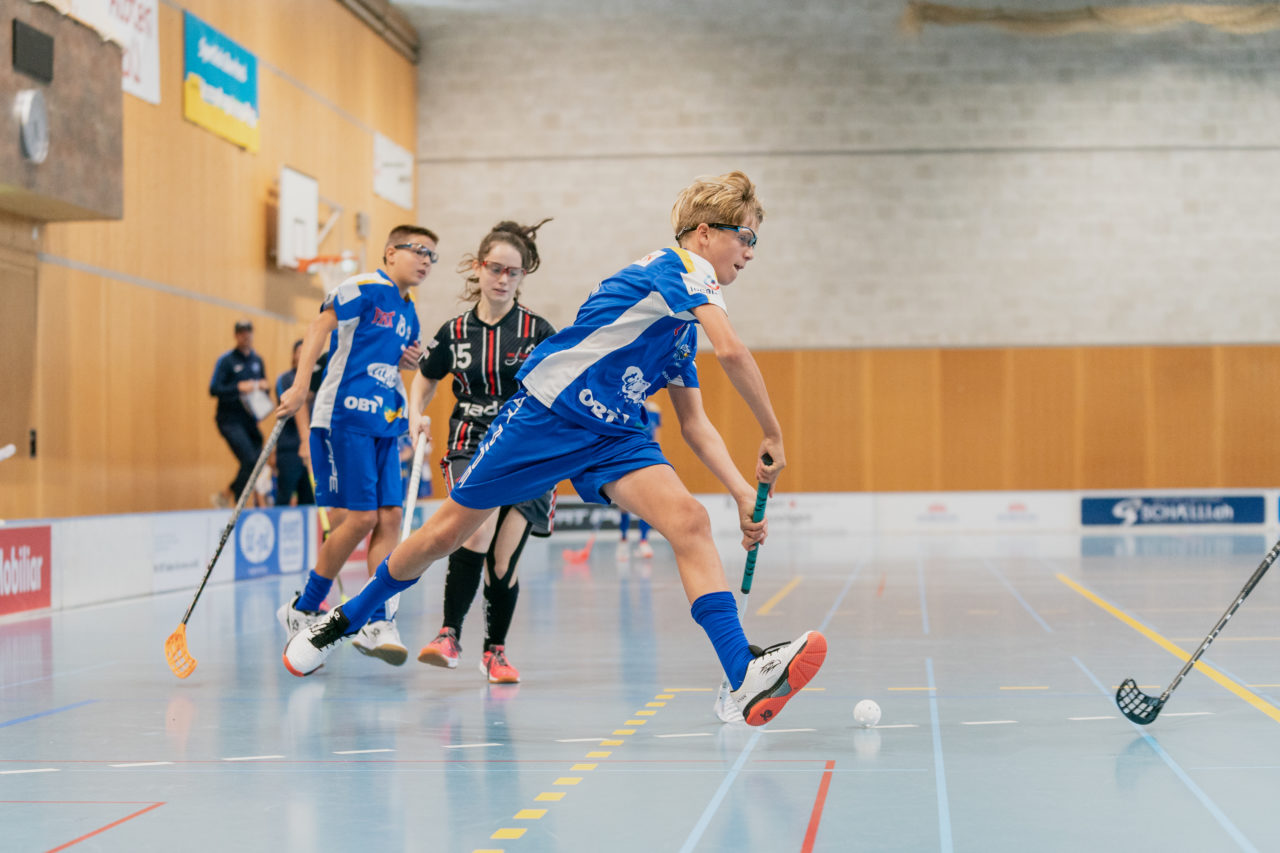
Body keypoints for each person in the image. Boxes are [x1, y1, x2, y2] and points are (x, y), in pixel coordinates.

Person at [284, 172, 827, 727]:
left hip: (614, 436)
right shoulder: (680, 269)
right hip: (549, 415)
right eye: (747, 237)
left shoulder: (680, 326)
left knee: (689, 521)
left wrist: (739, 491)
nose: (751, 253)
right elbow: (732, 351)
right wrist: (772, 432)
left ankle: (741, 674)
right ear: (707, 233)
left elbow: (694, 423)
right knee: (445, 534)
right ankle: (345, 617)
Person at [274, 224, 436, 666]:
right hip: (343, 417)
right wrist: (300, 385)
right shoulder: (363, 287)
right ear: (389, 253)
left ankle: (377, 619)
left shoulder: (410, 311)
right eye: (418, 251)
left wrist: (409, 374)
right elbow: (319, 326)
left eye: (432, 256)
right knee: (361, 518)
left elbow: (396, 362)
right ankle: (304, 608)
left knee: (391, 516)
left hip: (386, 423)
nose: (425, 260)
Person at [408, 220, 557, 684]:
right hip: (470, 443)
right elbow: (427, 376)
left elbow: (559, 386)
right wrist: (416, 413)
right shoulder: (454, 332)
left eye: (514, 273)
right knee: (476, 531)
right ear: (479, 267)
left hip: (527, 450)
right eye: (496, 269)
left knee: (502, 561)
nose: (504, 279)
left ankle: (495, 651)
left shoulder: (536, 330)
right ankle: (449, 633)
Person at [208, 320, 269, 508]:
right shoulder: (226, 361)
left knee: (258, 458)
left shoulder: (257, 361)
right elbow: (213, 389)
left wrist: (264, 387)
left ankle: (226, 494)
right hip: (229, 420)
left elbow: (263, 389)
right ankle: (238, 503)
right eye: (241, 332)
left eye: (248, 332)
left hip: (249, 420)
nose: (246, 335)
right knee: (249, 459)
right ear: (236, 335)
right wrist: (238, 387)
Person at [617, 399, 661, 561]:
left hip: (646, 457)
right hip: (626, 456)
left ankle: (643, 541)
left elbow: (656, 436)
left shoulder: (655, 409)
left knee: (646, 502)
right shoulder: (624, 405)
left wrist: (656, 457)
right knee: (623, 504)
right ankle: (623, 541)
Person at [273, 340, 315, 506]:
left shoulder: (317, 379)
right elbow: (293, 407)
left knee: (308, 497)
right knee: (285, 494)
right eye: (299, 351)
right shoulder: (285, 379)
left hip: (312, 449)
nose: (302, 354)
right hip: (289, 449)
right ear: (294, 355)